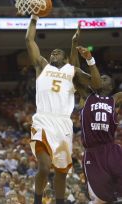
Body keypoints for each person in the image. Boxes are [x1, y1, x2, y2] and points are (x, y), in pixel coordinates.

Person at [25, 14, 102, 204]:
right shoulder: (42, 65)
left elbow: (97, 84)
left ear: (66, 58)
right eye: (52, 52)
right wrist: (35, 17)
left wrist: (90, 60)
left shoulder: (72, 71)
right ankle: (37, 201)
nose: (54, 53)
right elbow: (29, 39)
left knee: (61, 173)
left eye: (58, 52)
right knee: (44, 167)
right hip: (43, 120)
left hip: (63, 124)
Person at [70, 29, 122, 203]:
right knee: (102, 198)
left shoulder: (116, 98)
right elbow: (74, 71)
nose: (102, 78)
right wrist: (74, 45)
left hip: (112, 149)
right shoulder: (86, 95)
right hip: (93, 153)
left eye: (106, 78)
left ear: (111, 85)